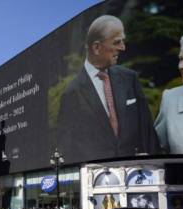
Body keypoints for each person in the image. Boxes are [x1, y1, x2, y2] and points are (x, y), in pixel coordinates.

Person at [57, 15, 160, 163]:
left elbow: (149, 135)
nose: (123, 47)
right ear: (96, 47)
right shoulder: (72, 93)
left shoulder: (130, 79)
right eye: (117, 42)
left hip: (137, 176)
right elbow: (67, 150)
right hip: (97, 180)